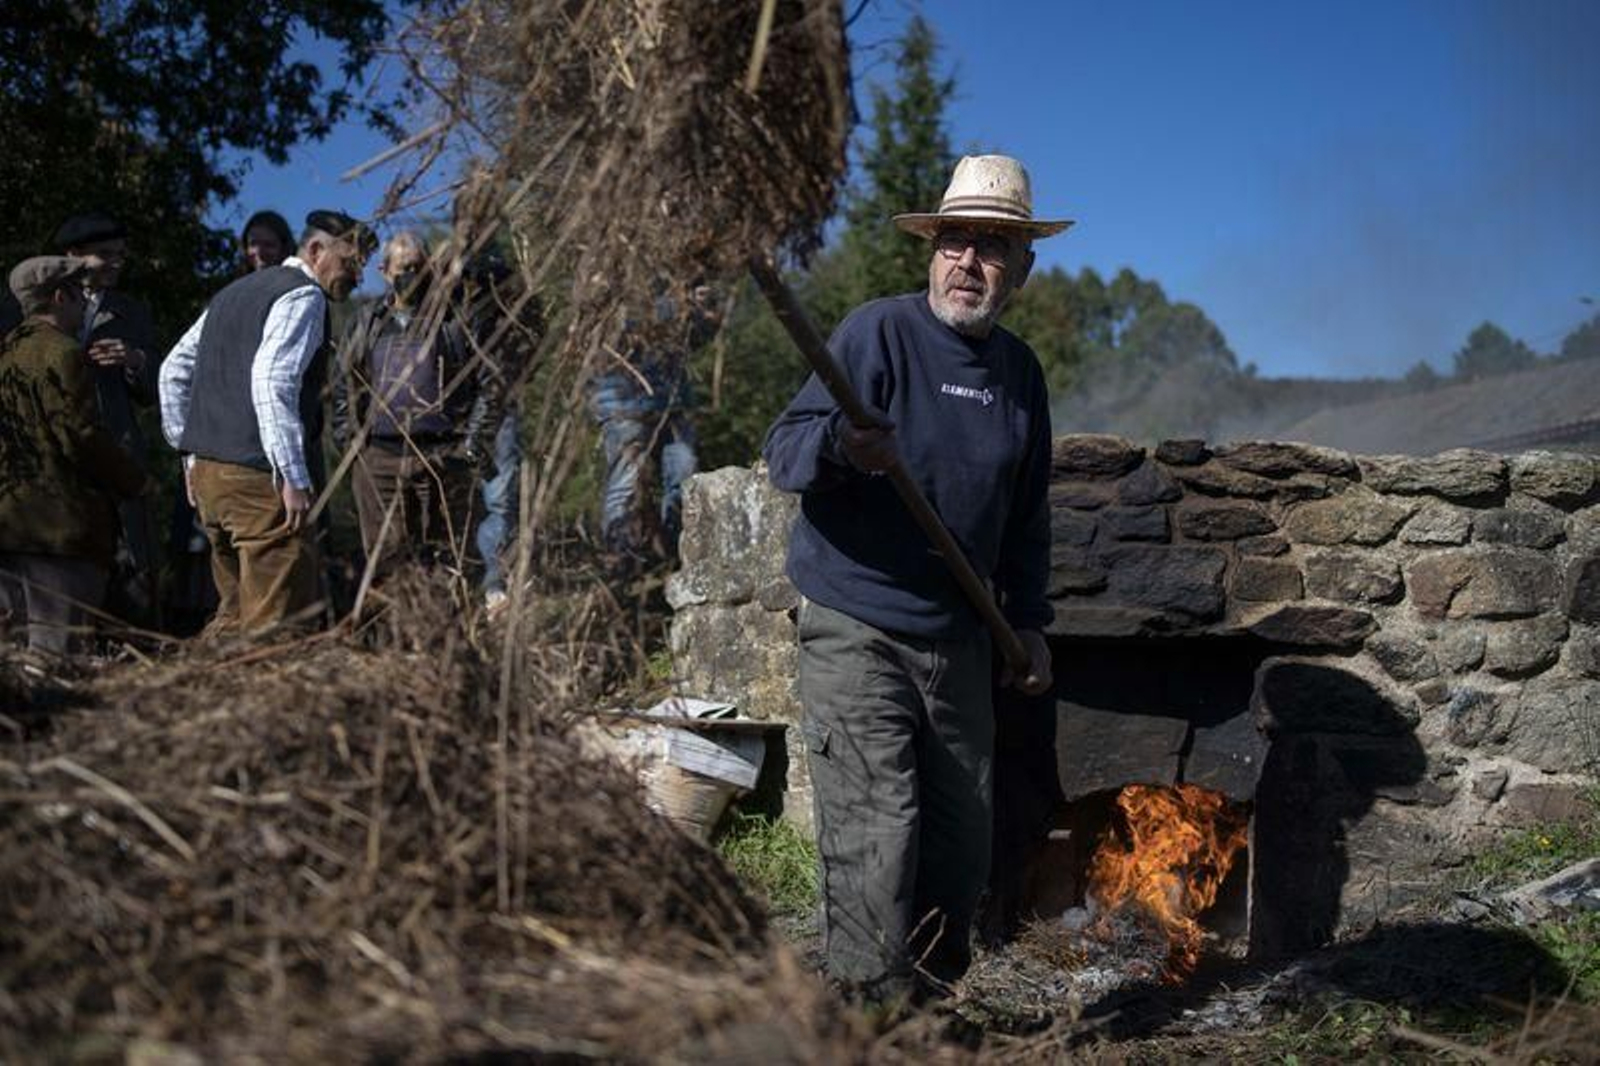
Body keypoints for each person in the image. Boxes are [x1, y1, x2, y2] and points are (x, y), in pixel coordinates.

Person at [762, 155, 1063, 1003]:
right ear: (931, 251)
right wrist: (842, 449)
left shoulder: (1020, 376)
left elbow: (1027, 515)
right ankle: (862, 1016)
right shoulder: (877, 334)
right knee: (878, 832)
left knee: (960, 847)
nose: (969, 263)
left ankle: (923, 1014)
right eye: (956, 242)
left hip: (961, 641)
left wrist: (1030, 621)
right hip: (857, 624)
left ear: (1022, 269)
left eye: (994, 248)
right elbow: (784, 453)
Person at [158, 209, 372, 635]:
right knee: (274, 630)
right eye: (351, 263)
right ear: (316, 250)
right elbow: (273, 379)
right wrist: (293, 475)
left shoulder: (231, 294)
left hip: (211, 482)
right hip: (259, 484)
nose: (358, 278)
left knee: (232, 618)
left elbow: (171, 370)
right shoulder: (303, 296)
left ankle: (205, 698)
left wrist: (190, 457)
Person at [0, 256, 147, 655]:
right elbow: (79, 435)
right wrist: (133, 480)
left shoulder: (6, 353)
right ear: (60, 297)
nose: (86, 305)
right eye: (80, 296)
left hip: (11, 530)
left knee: (13, 659)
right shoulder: (63, 352)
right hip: (58, 535)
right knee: (56, 657)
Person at [332, 231, 494, 575]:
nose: (411, 275)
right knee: (386, 563)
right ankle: (396, 629)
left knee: (446, 559)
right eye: (403, 267)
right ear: (385, 270)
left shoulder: (452, 320)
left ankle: (449, 628)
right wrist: (351, 448)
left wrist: (471, 444)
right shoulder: (366, 321)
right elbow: (344, 385)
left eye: (418, 267)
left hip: (442, 458)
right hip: (380, 462)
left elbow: (485, 381)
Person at [52, 212, 162, 631]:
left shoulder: (131, 312)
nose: (116, 262)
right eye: (105, 255)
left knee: (130, 563)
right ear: (74, 256)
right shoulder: (29, 304)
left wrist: (134, 360)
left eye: (120, 254)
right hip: (57, 460)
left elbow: (155, 388)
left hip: (115, 452)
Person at [589, 280, 721, 570]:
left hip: (671, 400)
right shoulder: (619, 275)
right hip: (623, 400)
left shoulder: (677, 281)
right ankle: (621, 562)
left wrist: (706, 310)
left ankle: (677, 555)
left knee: (685, 474)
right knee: (624, 483)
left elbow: (696, 337)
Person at [241, 210, 294, 274]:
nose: (259, 251)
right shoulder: (238, 283)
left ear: (284, 249)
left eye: (268, 244)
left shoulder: (300, 281)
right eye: (253, 244)